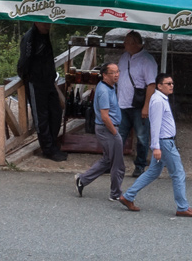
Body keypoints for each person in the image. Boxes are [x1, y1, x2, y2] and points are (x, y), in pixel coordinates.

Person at [119, 73, 192, 216]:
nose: (171, 86)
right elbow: (154, 125)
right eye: (168, 83)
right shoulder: (157, 101)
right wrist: (156, 147)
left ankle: (128, 196)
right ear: (159, 86)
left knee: (152, 172)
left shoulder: (161, 99)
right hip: (165, 142)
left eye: (172, 83)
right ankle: (182, 207)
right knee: (178, 173)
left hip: (165, 141)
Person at [74, 62, 125, 202]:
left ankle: (82, 180)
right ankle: (115, 193)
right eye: (113, 73)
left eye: (117, 71)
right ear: (104, 75)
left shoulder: (110, 86)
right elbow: (104, 116)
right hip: (108, 128)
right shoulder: (103, 91)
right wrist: (115, 133)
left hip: (107, 128)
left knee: (108, 160)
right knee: (118, 164)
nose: (116, 75)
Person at [19, 21, 66, 161]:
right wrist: (28, 77)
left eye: (49, 22)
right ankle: (48, 149)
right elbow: (24, 61)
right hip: (36, 81)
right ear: (36, 22)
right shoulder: (30, 37)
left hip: (49, 81)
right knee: (41, 116)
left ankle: (52, 144)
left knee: (56, 112)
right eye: (44, 23)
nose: (48, 25)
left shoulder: (45, 36)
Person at [116, 32, 158, 176]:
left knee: (141, 136)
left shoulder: (147, 60)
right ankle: (115, 164)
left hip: (138, 105)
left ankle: (140, 165)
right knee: (119, 135)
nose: (124, 44)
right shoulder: (124, 57)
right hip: (122, 103)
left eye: (127, 41)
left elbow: (151, 85)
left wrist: (146, 106)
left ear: (135, 43)